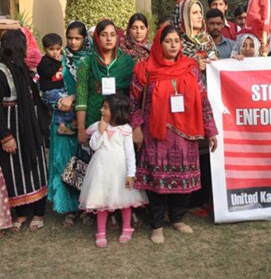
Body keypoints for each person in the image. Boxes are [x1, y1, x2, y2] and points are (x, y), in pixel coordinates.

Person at [130, 25, 218, 244]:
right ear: (159, 43)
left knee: (185, 178)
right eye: (168, 41)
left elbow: (203, 100)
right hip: (155, 135)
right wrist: (137, 128)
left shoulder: (190, 68)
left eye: (176, 41)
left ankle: (177, 218)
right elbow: (132, 102)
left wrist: (211, 131)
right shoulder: (145, 69)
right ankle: (157, 225)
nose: (172, 45)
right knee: (157, 182)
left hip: (186, 135)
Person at [79, 94, 147, 247]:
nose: (101, 110)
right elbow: (94, 146)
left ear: (116, 111)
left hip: (119, 169)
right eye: (102, 107)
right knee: (101, 200)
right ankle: (101, 231)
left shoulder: (126, 129)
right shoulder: (99, 126)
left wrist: (131, 174)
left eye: (105, 108)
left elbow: (130, 154)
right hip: (101, 168)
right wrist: (100, 131)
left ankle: (127, 228)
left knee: (125, 201)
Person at [0, 30, 48, 232]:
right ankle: (20, 213)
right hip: (11, 126)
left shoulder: (23, 69)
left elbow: (35, 98)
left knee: (35, 166)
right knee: (14, 169)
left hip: (30, 126)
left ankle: (38, 212)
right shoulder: (2, 70)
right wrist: (5, 135)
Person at [47, 21, 92, 226]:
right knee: (64, 162)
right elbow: (46, 86)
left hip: (85, 118)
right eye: (70, 38)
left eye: (78, 38)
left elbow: (94, 90)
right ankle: (69, 208)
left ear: (85, 39)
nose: (73, 42)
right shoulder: (58, 59)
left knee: (86, 162)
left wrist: (74, 97)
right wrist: (60, 101)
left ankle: (87, 206)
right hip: (61, 120)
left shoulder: (91, 61)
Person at [76, 19, 135, 142]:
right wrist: (81, 129)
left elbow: (133, 96)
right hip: (95, 121)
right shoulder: (87, 63)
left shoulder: (126, 62)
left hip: (121, 122)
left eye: (112, 35)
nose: (109, 39)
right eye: (104, 35)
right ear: (97, 37)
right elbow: (81, 98)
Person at [38, 33, 77, 135]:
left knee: (68, 104)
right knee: (62, 104)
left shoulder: (63, 59)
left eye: (58, 49)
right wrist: (57, 63)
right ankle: (65, 124)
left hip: (61, 89)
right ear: (44, 49)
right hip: (51, 92)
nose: (55, 52)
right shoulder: (44, 62)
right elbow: (48, 73)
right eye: (51, 49)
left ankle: (66, 124)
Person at [171, 0, 218, 71]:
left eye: (200, 12)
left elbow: (218, 65)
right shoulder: (175, 42)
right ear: (184, 16)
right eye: (195, 13)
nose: (200, 16)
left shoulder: (207, 40)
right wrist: (194, 64)